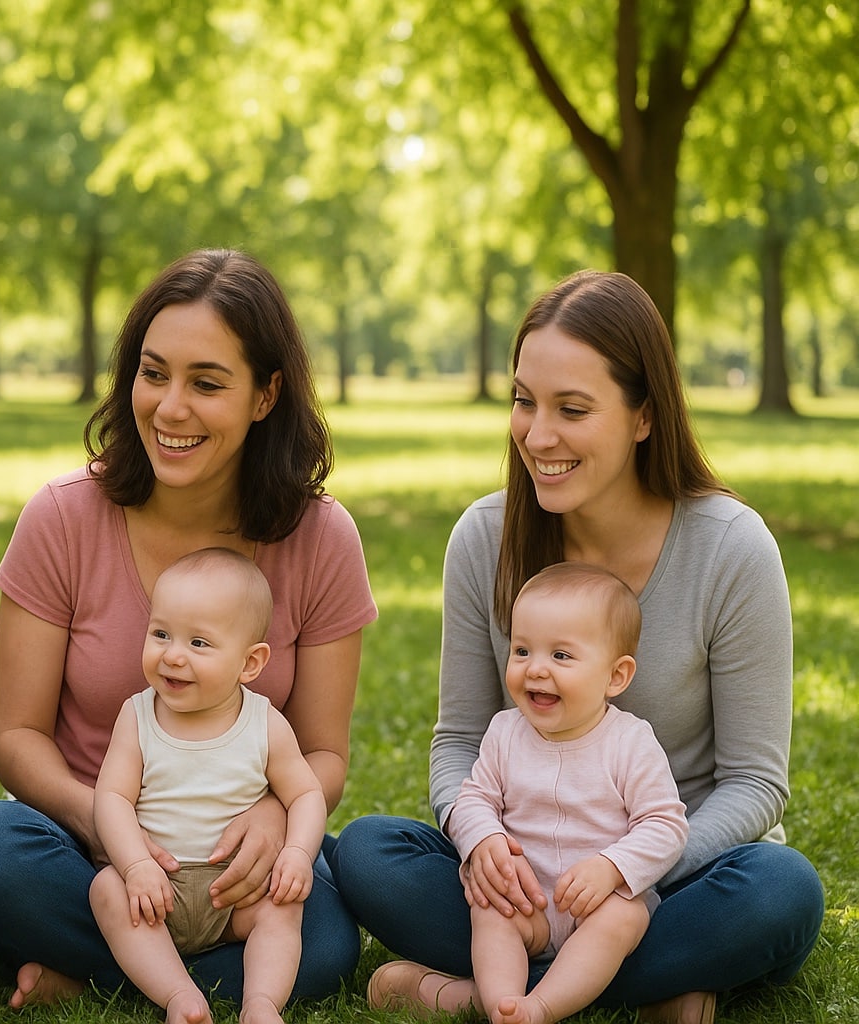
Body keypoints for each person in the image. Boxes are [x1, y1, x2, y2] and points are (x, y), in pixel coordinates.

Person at [334, 270, 824, 1024]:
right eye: (524, 401)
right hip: (522, 888)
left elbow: (755, 786)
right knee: (367, 852)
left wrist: (622, 872)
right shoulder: (483, 540)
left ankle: (488, 993)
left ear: (643, 417)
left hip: (677, 877)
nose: (538, 434)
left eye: (572, 409)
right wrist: (481, 843)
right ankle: (647, 991)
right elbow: (459, 741)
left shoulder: (730, 549)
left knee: (781, 890)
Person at [0, 248, 378, 1009]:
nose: (169, 408)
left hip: (238, 868)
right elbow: (17, 739)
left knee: (331, 935)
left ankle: (96, 980)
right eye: (153, 373)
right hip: (90, 854)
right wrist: (116, 835)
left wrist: (277, 816)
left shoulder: (321, 538)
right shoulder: (63, 517)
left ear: (266, 395)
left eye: (207, 383)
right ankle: (175, 979)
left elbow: (324, 753)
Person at [418, 562, 688, 1024]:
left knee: (625, 919)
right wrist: (483, 839)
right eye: (522, 650)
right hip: (526, 902)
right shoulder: (505, 732)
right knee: (490, 910)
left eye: (561, 656)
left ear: (616, 676)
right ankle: (504, 1003)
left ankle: (538, 1006)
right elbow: (475, 798)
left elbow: (665, 824)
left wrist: (612, 868)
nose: (535, 669)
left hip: (600, 903)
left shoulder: (630, 741)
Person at [91, 548, 326, 1024]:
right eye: (160, 634)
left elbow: (305, 794)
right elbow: (112, 797)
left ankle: (260, 1004)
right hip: (157, 890)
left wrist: (298, 854)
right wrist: (135, 865)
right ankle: (180, 995)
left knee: (283, 910)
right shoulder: (137, 717)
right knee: (105, 890)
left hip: (237, 891)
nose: (172, 655)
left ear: (251, 662)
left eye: (199, 643)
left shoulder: (265, 724)